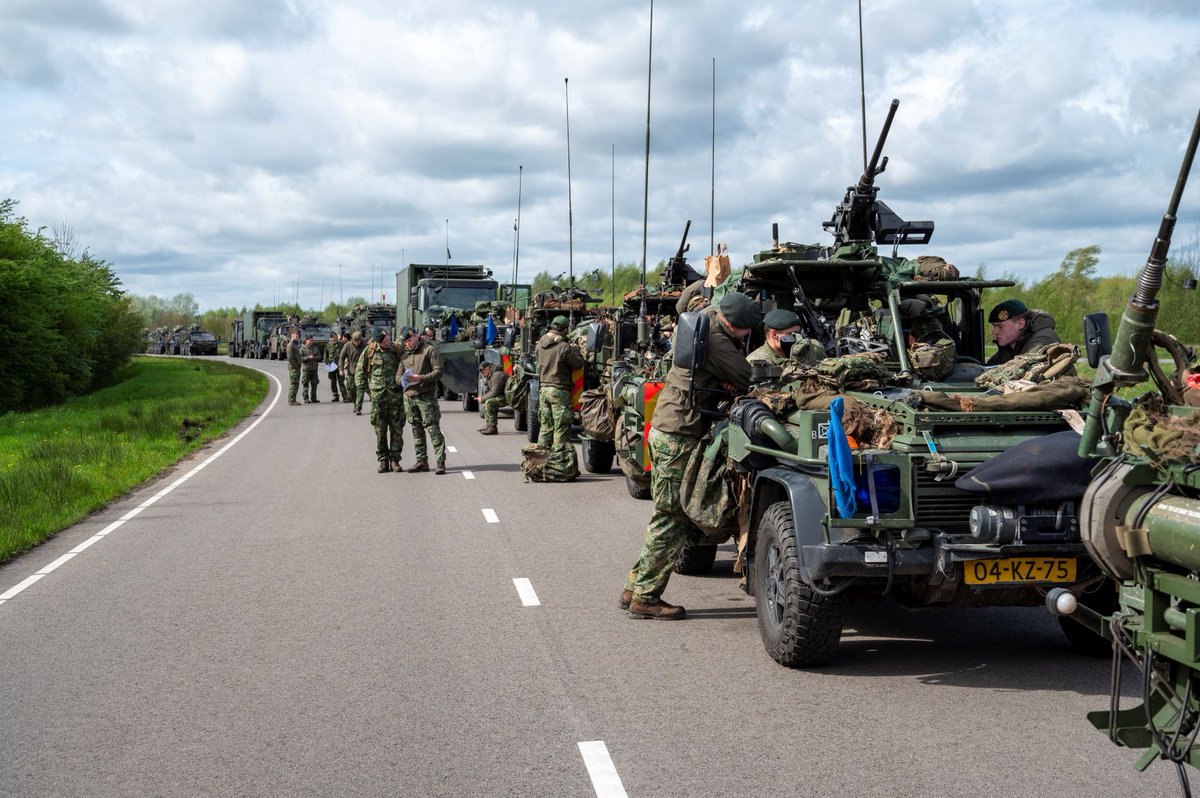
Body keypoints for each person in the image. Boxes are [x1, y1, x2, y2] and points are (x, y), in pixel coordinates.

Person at [620, 292, 760, 620]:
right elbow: (747, 376)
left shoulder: (705, 318)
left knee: (669, 516)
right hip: (678, 434)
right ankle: (645, 598)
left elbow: (689, 301)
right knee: (671, 517)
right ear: (735, 325)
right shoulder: (717, 340)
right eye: (744, 332)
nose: (744, 337)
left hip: (671, 426)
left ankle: (635, 586)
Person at [397, 326, 447, 474]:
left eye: (410, 340)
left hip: (426, 396)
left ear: (417, 336)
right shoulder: (404, 355)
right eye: (406, 341)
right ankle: (422, 461)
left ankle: (440, 462)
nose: (408, 343)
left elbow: (439, 372)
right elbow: (397, 375)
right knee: (416, 429)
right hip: (410, 397)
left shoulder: (429, 350)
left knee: (432, 428)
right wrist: (402, 380)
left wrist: (420, 378)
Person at [356, 329, 405, 472]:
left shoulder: (396, 349)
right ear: (378, 341)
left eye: (388, 338)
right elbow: (360, 373)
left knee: (397, 429)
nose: (387, 342)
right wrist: (368, 390)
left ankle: (395, 460)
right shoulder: (369, 351)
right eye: (384, 341)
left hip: (395, 396)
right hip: (378, 397)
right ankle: (383, 459)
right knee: (380, 430)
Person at [536, 315, 584, 447]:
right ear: (564, 330)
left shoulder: (540, 344)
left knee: (545, 427)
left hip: (543, 389)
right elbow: (578, 364)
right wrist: (575, 350)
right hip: (559, 391)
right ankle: (559, 463)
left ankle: (541, 460)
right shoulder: (564, 347)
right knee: (561, 428)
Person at [986, 299, 1062, 366]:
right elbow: (987, 369)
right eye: (993, 326)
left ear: (1020, 324)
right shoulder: (1010, 345)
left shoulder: (1043, 340)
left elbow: (1024, 370)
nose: (994, 332)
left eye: (1000, 327)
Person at [478, 361, 508, 435]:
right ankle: (489, 424)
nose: (483, 375)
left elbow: (495, 392)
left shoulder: (497, 375)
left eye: (483, 372)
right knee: (487, 401)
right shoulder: (492, 375)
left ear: (487, 369)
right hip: (503, 396)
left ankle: (493, 427)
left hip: (508, 398)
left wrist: (482, 398)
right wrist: (483, 398)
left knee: (489, 402)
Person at [340, 331, 364, 415]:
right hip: (351, 370)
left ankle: (358, 408)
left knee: (360, 389)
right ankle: (355, 403)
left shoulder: (364, 345)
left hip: (362, 371)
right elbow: (341, 357)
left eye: (358, 341)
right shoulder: (347, 345)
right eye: (355, 341)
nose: (357, 342)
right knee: (351, 389)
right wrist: (341, 369)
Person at [299, 335, 321, 403]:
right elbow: (300, 359)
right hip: (307, 369)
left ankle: (313, 398)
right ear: (306, 341)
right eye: (310, 340)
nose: (311, 342)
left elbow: (320, 357)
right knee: (305, 384)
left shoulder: (315, 348)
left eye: (312, 340)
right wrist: (308, 357)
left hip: (314, 369)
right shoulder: (302, 349)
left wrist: (315, 357)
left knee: (314, 384)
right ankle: (306, 398)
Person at [325, 331, 345, 402]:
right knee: (333, 382)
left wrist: (343, 365)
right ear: (330, 338)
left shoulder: (341, 345)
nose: (333, 339)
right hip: (331, 366)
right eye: (332, 337)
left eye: (334, 337)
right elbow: (326, 356)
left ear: (337, 337)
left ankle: (344, 396)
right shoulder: (328, 345)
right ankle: (335, 396)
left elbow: (344, 355)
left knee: (341, 382)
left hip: (339, 365)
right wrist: (327, 366)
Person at [285, 331, 302, 406]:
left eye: (297, 336)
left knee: (296, 384)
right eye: (296, 336)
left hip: (296, 367)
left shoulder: (295, 345)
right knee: (294, 384)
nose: (297, 337)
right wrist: (295, 366)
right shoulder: (290, 345)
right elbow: (290, 358)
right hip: (293, 368)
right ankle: (291, 400)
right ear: (292, 337)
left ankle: (293, 399)